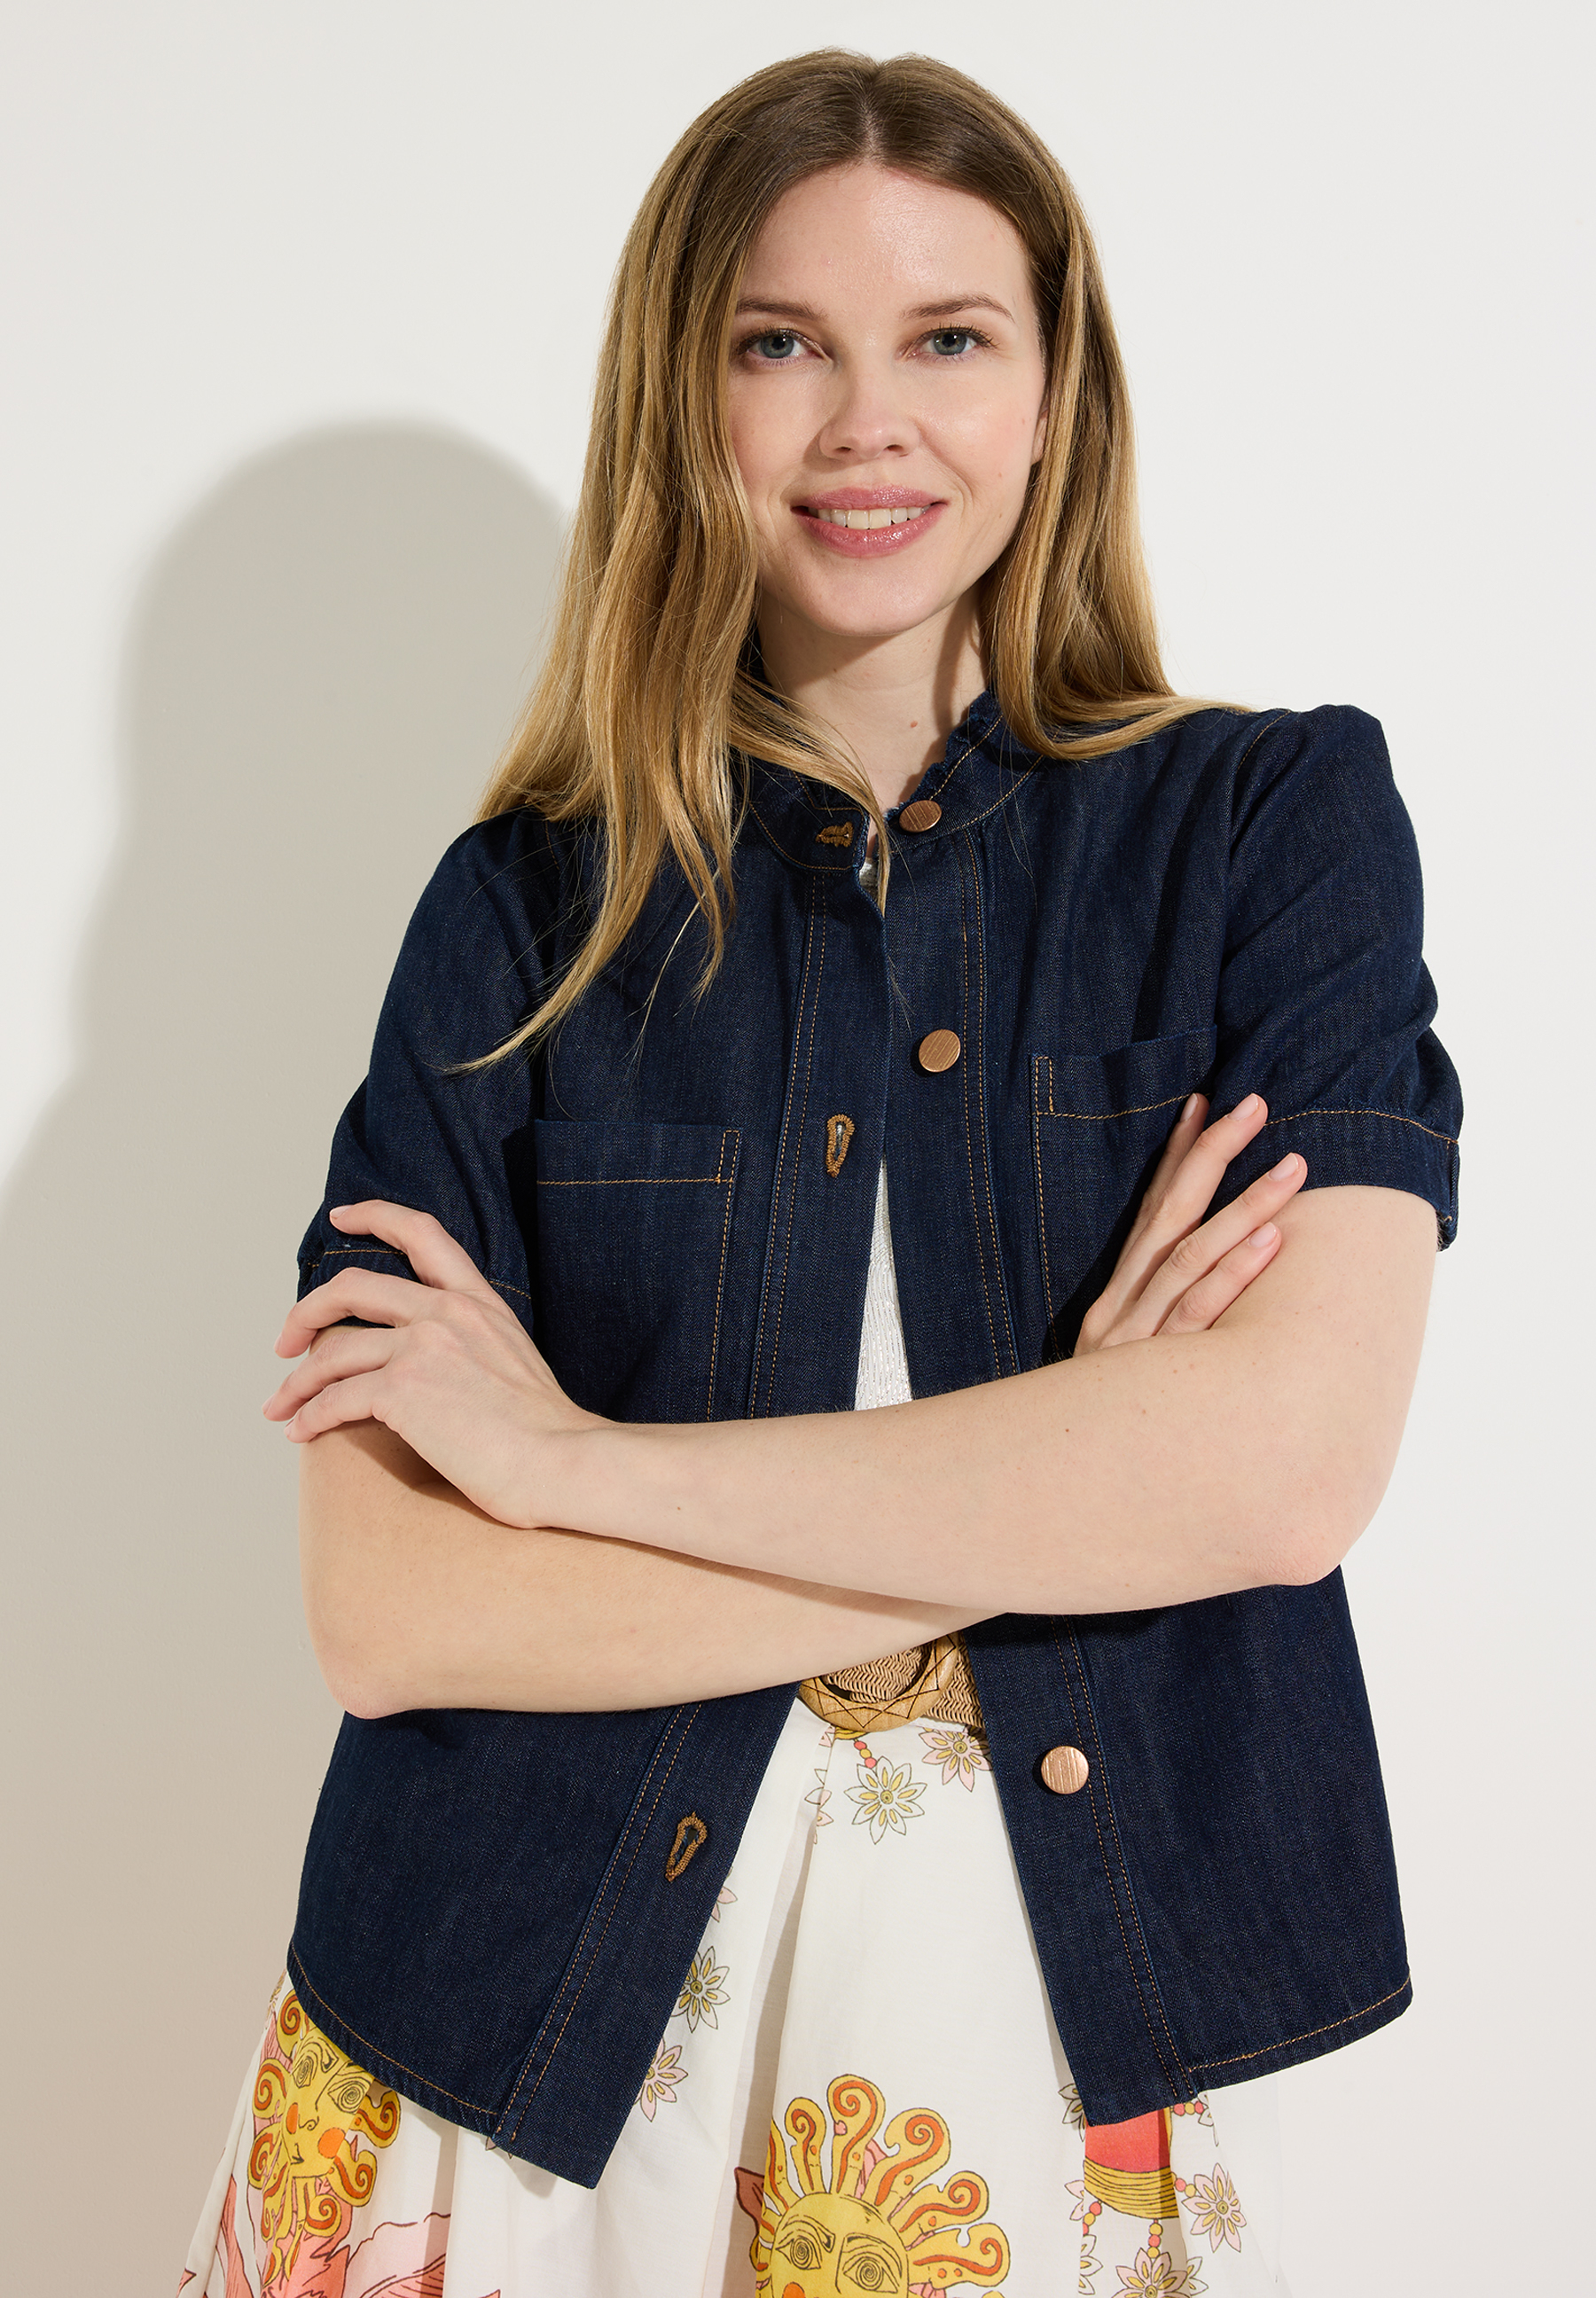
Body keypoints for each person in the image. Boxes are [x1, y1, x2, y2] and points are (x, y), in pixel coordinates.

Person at [179, 48, 1460, 2298]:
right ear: (685, 402)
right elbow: (390, 1612)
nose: (871, 425)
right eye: (782, 344)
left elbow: (1279, 1475)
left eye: (948, 339)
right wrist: (1070, 1483)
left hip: (1018, 2050)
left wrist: (570, 1470)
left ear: (1055, 396)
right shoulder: (520, 911)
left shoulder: (1270, 831)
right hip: (495, 2056)